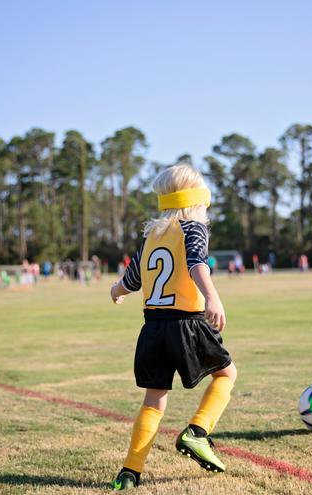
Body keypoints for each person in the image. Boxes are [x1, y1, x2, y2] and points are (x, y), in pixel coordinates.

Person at [109, 164, 236, 490]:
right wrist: (212, 297)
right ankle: (197, 432)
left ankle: (129, 472)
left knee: (154, 400)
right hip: (186, 322)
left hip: (152, 328)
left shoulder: (153, 235)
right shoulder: (192, 227)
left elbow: (132, 279)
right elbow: (197, 264)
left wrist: (115, 291)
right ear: (198, 200)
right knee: (227, 375)